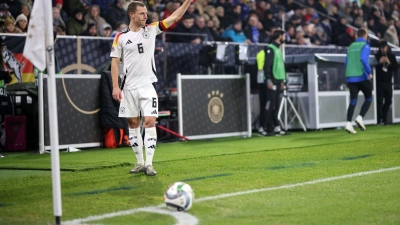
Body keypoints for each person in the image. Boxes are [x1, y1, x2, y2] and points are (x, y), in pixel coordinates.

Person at [110, 0, 192, 176]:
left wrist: (187, 2)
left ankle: (149, 163)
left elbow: (175, 17)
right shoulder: (120, 37)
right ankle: (139, 162)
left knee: (149, 122)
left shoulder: (152, 29)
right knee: (133, 124)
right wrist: (116, 87)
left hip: (147, 86)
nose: (145, 16)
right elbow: (115, 62)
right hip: (128, 88)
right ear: (131, 14)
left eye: (146, 13)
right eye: (142, 13)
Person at [344, 28, 373, 134]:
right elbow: (363, 60)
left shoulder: (351, 46)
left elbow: (345, 63)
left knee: (353, 100)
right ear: (365, 35)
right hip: (361, 76)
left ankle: (348, 123)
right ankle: (360, 117)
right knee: (369, 98)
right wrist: (369, 72)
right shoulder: (365, 45)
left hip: (351, 77)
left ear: (357, 36)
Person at [260, 30, 288, 136]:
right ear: (279, 36)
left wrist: (281, 81)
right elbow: (267, 66)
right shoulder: (271, 49)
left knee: (275, 105)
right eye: (284, 36)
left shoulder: (277, 49)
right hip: (271, 81)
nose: (285, 37)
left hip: (277, 80)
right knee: (269, 105)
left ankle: (277, 127)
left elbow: (279, 67)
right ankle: (262, 128)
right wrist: (268, 80)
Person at [374, 41, 397, 125]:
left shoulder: (391, 56)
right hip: (379, 82)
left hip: (388, 82)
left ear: (387, 47)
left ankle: (384, 117)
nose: (383, 49)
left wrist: (389, 63)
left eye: (385, 47)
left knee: (388, 101)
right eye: (382, 48)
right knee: (379, 101)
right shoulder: (376, 56)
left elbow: (395, 68)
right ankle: (379, 119)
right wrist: (379, 63)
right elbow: (374, 68)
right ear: (380, 48)